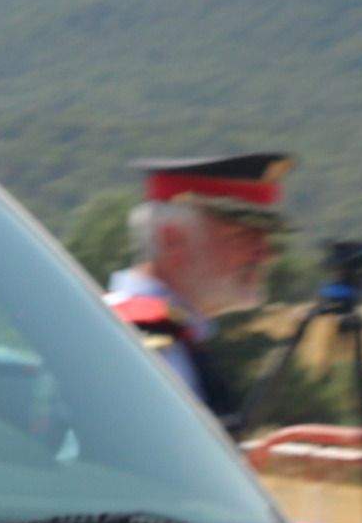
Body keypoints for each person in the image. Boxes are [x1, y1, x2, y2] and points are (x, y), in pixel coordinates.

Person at [104, 149, 289, 418]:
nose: (264, 255)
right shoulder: (134, 340)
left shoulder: (173, 338)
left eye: (265, 239)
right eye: (241, 236)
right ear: (173, 241)